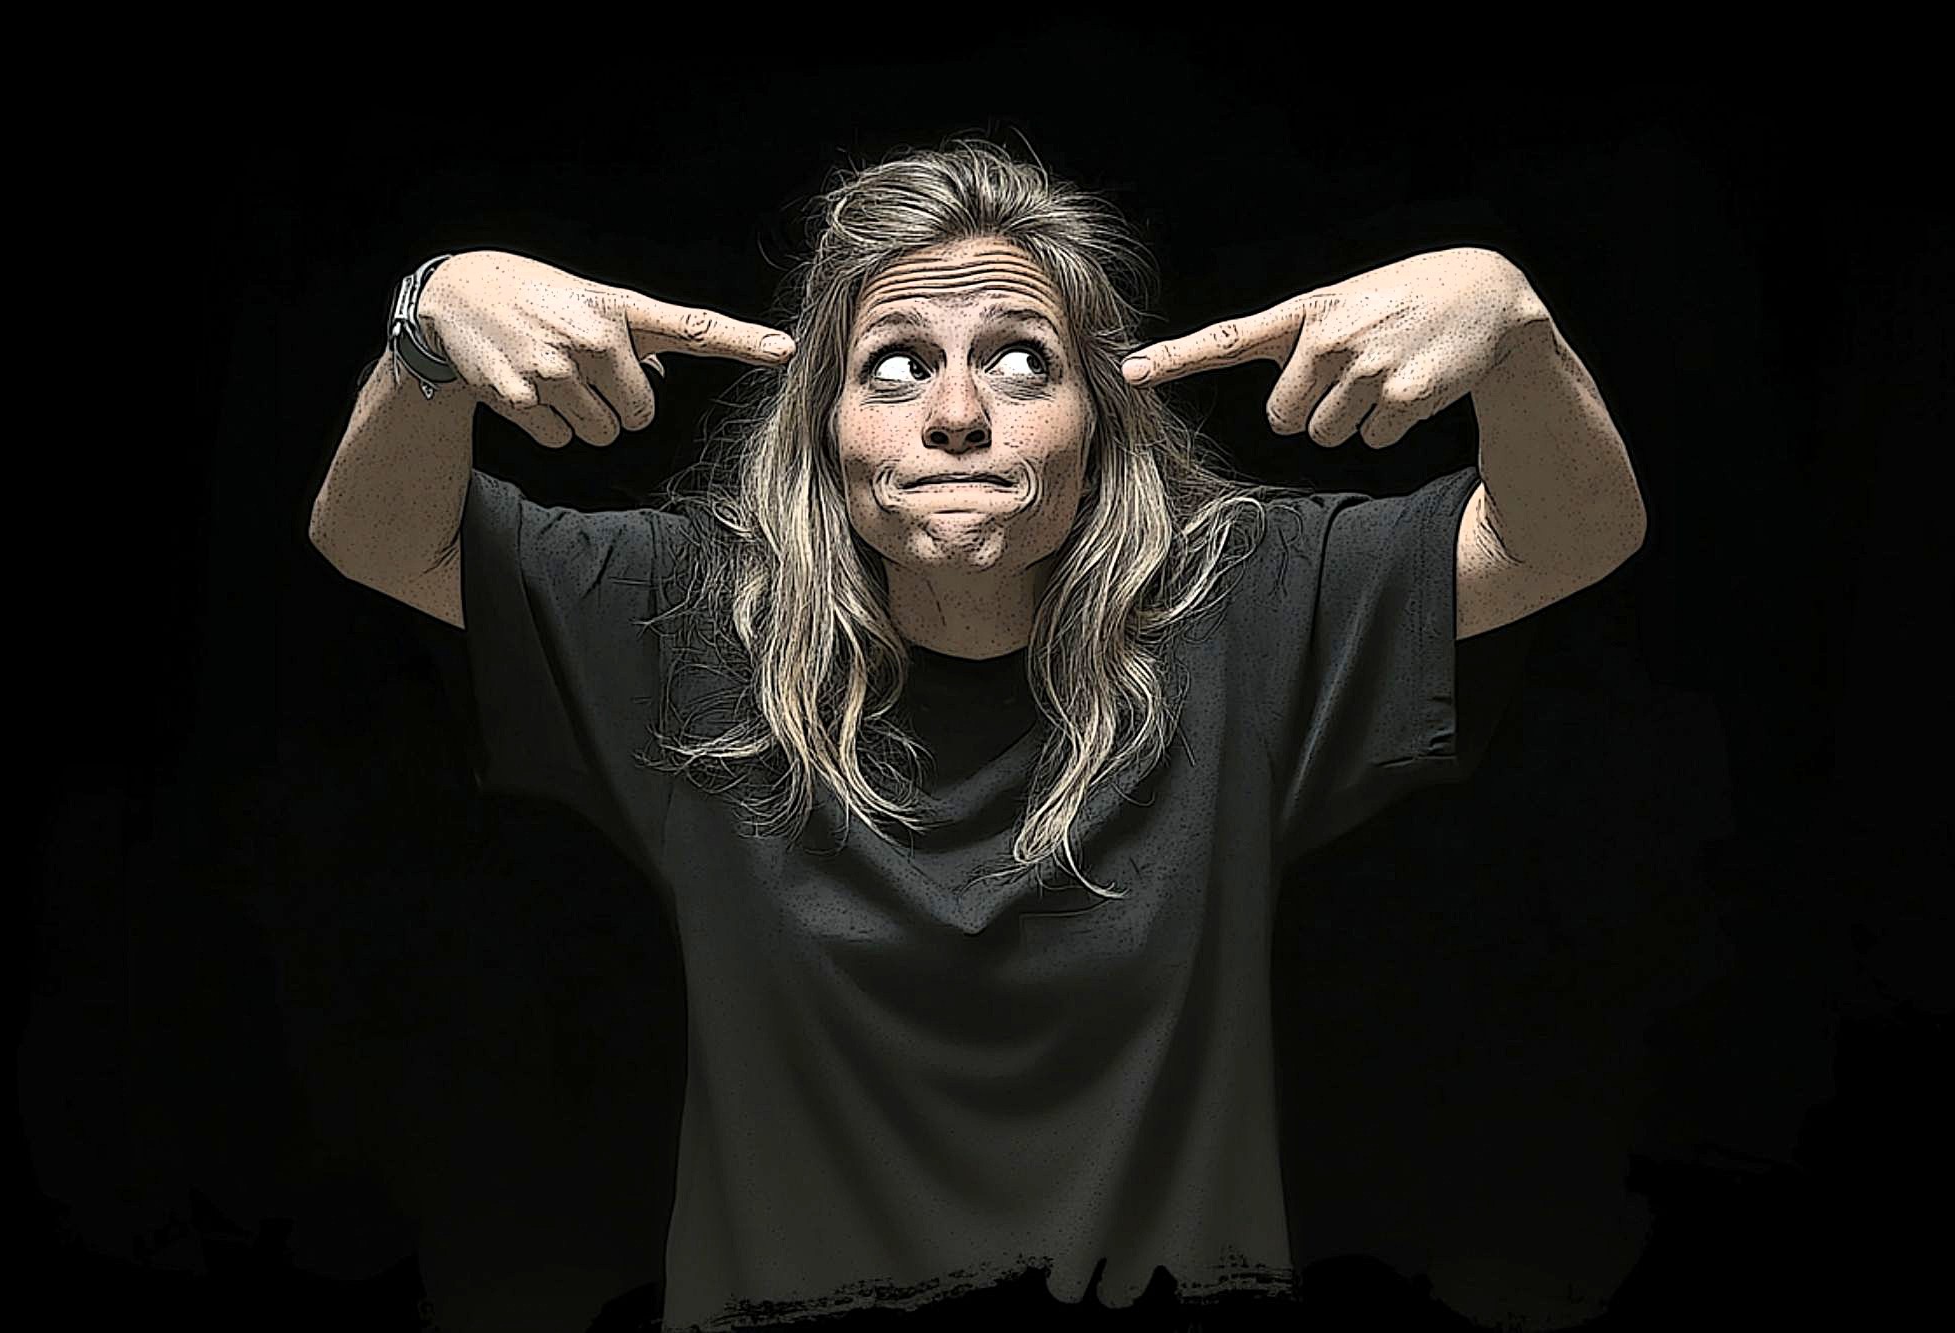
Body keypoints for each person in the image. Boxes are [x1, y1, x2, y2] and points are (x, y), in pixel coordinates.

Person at [309, 139, 1625, 1332]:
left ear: (1100, 423)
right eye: (894, 365)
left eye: (1020, 360)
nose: (955, 415)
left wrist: (1513, 324)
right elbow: (375, 536)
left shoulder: (1239, 608)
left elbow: (1567, 535)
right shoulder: (694, 624)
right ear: (823, 432)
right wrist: (431, 322)